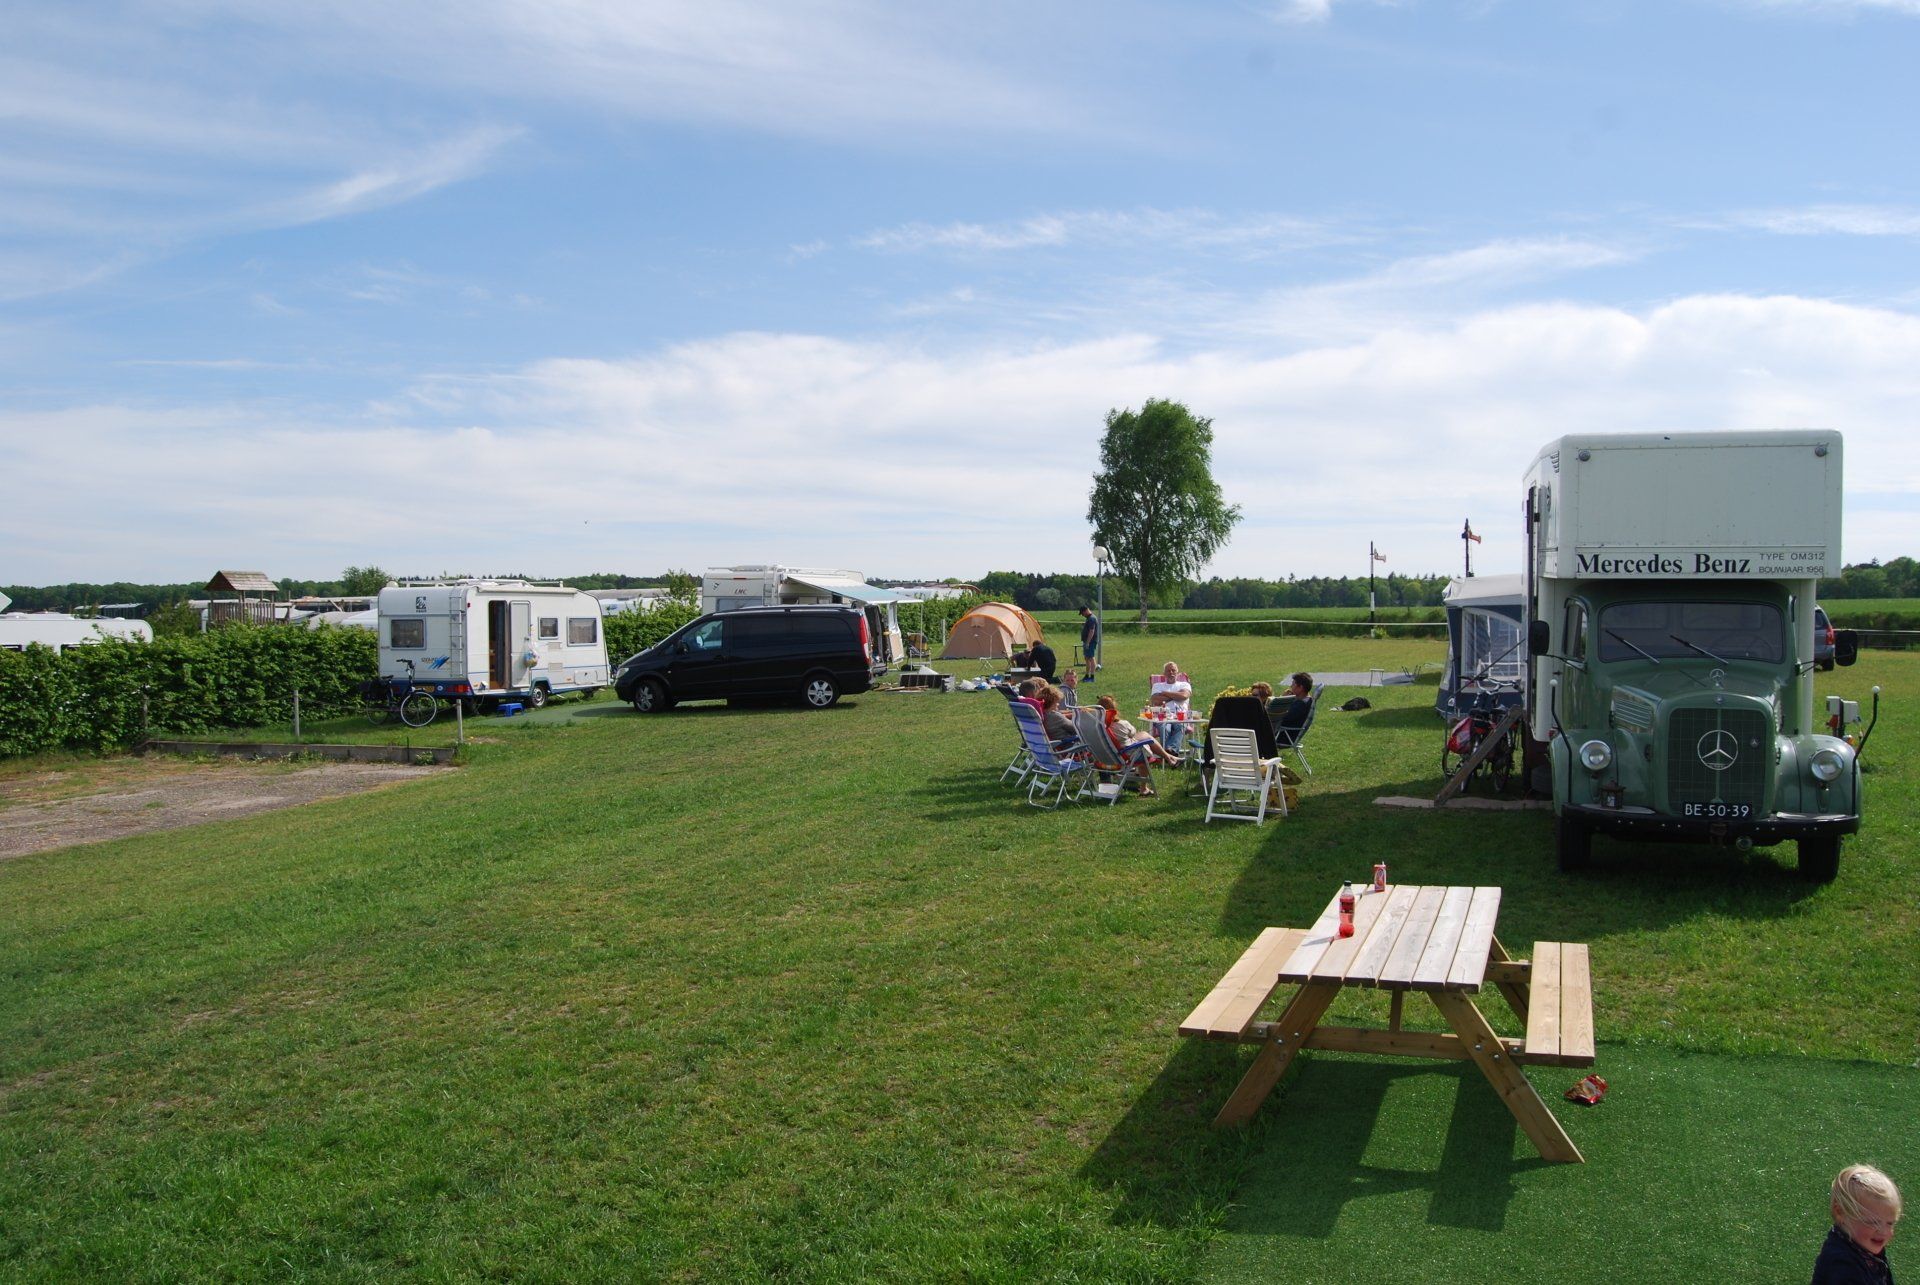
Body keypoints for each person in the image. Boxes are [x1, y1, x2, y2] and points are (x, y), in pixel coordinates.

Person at [1814, 1164, 1901, 1284]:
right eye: (1872, 1222)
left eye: (1890, 1223)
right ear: (1840, 1213)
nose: (1884, 1232)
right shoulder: (1842, 1264)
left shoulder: (1863, 1245)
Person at [1095, 695, 1165, 795]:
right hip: (1122, 758)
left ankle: (1169, 757)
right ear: (1114, 709)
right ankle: (1143, 788)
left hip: (1102, 759)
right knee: (1144, 753)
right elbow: (1132, 733)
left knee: (1144, 737)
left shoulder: (1096, 727)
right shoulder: (1122, 724)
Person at [1149, 661, 1194, 751]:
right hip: (1162, 716)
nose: (1171, 673)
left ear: (1177, 672)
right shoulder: (1157, 685)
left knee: (1180, 726)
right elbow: (1156, 700)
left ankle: (1168, 753)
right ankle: (1171, 753)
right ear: (1164, 673)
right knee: (1165, 728)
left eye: (1173, 670)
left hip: (1180, 716)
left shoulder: (1184, 684)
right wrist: (1177, 696)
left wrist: (1165, 693)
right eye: (1168, 671)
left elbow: (1184, 696)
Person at [1272, 672, 1315, 744]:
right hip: (1284, 732)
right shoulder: (1307, 700)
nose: (1291, 686)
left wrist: (1281, 699)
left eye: (1293, 684)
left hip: (1283, 736)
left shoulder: (1301, 705)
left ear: (1300, 687)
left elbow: (1281, 718)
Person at [1079, 606, 1101, 677]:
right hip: (1087, 641)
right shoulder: (1089, 618)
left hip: (1090, 642)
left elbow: (1092, 631)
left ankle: (1092, 676)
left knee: (1091, 657)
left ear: (1086, 610)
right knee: (1087, 658)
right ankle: (1087, 675)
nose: (1082, 615)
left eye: (1082, 613)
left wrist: (1088, 642)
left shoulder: (1092, 618)